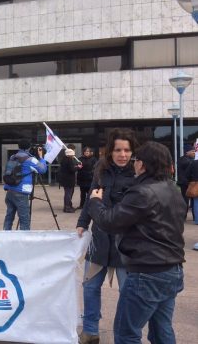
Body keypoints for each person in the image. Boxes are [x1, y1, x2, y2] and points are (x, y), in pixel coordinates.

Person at [88, 141, 185, 344]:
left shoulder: (142, 192)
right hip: (172, 270)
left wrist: (95, 202)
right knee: (161, 330)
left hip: (147, 272)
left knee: (126, 333)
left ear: (142, 164)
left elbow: (110, 221)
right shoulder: (173, 189)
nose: (132, 163)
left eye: (135, 159)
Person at [76, 128, 138, 344]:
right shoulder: (100, 169)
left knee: (128, 292)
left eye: (127, 150)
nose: (123, 154)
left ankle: (126, 335)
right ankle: (90, 331)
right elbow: (92, 197)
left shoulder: (138, 174)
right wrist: (82, 223)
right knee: (90, 287)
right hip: (99, 241)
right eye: (118, 150)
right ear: (110, 151)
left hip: (126, 246)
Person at [2, 139, 47, 230]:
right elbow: (42, 170)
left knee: (9, 216)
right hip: (21, 192)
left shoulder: (13, 157)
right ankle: (24, 239)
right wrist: (41, 158)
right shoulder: (30, 159)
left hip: (10, 190)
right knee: (24, 218)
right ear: (29, 147)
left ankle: (5, 236)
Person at [177, 144, 194, 221]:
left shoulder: (190, 160)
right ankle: (183, 216)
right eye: (192, 151)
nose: (194, 153)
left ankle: (194, 216)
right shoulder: (183, 160)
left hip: (190, 183)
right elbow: (188, 163)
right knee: (185, 200)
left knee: (193, 201)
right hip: (184, 183)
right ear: (187, 152)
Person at [59, 147, 78, 213]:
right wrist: (77, 168)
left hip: (65, 179)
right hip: (69, 179)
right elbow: (72, 169)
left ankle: (68, 206)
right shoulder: (69, 160)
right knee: (68, 194)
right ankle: (67, 207)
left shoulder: (63, 159)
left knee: (67, 193)